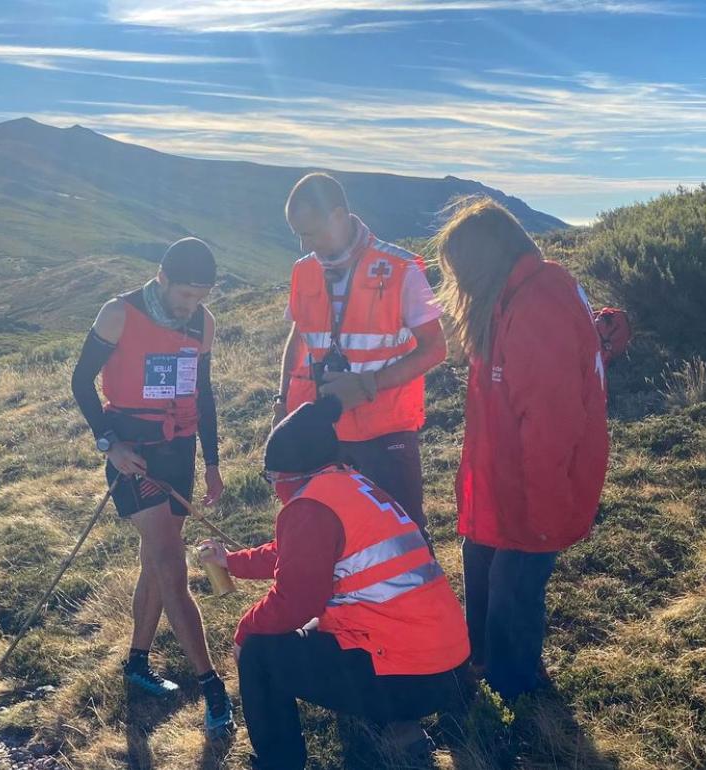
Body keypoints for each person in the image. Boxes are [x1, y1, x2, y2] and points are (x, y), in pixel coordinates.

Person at [199, 396, 470, 770]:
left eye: (273, 478)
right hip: (447, 664)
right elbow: (290, 553)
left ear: (294, 473)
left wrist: (245, 635)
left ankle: (278, 762)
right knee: (317, 631)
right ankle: (399, 727)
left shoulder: (309, 507)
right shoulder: (351, 486)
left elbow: (295, 602)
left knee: (261, 654)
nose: (275, 487)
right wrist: (229, 561)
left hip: (410, 677)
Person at [433, 196, 609, 700]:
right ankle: (485, 663)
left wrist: (544, 510)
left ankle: (516, 696)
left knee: (514, 591)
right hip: (502, 479)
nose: (460, 286)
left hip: (532, 487)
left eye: (461, 272)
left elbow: (551, 423)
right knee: (485, 567)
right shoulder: (514, 296)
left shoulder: (537, 306)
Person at [70, 237, 234, 738]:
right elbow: (80, 381)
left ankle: (137, 662)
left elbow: (202, 394)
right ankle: (212, 685)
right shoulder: (119, 313)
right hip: (132, 449)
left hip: (179, 449)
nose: (191, 307)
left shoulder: (203, 323)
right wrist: (109, 445)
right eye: (185, 295)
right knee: (168, 560)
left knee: (155, 560)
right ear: (162, 279)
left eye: (200, 297)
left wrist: (212, 463)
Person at [274, 173, 446, 545]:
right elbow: (298, 336)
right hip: (325, 431)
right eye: (299, 235)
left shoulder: (400, 268)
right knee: (335, 540)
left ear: (339, 216)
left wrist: (369, 384)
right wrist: (282, 401)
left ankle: (422, 603)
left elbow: (436, 348)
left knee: (405, 537)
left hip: (385, 432)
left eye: (312, 232)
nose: (307, 244)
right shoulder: (303, 271)